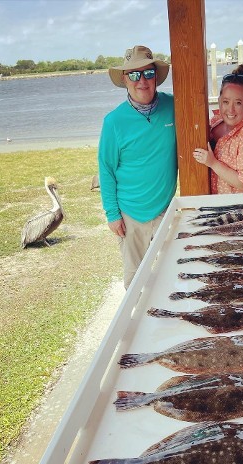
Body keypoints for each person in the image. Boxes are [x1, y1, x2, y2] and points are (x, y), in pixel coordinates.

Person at [98, 45, 177, 289]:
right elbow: (106, 169)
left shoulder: (174, 106)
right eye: (134, 74)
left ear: (156, 77)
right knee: (135, 281)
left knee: (172, 275)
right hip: (130, 214)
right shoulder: (113, 122)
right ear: (125, 79)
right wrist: (112, 215)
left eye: (148, 74)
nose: (142, 81)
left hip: (166, 210)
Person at [192, 65, 243, 194]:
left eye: (238, 103)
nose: (231, 110)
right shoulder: (215, 123)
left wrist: (212, 163)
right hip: (222, 204)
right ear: (219, 101)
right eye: (226, 102)